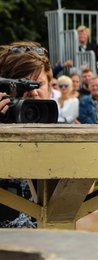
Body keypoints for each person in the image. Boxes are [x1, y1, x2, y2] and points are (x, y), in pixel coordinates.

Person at [0, 41, 53, 228]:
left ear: (50, 85)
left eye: (37, 84)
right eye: (21, 86)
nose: (32, 92)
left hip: (46, 244)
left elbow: (86, 188)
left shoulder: (62, 132)